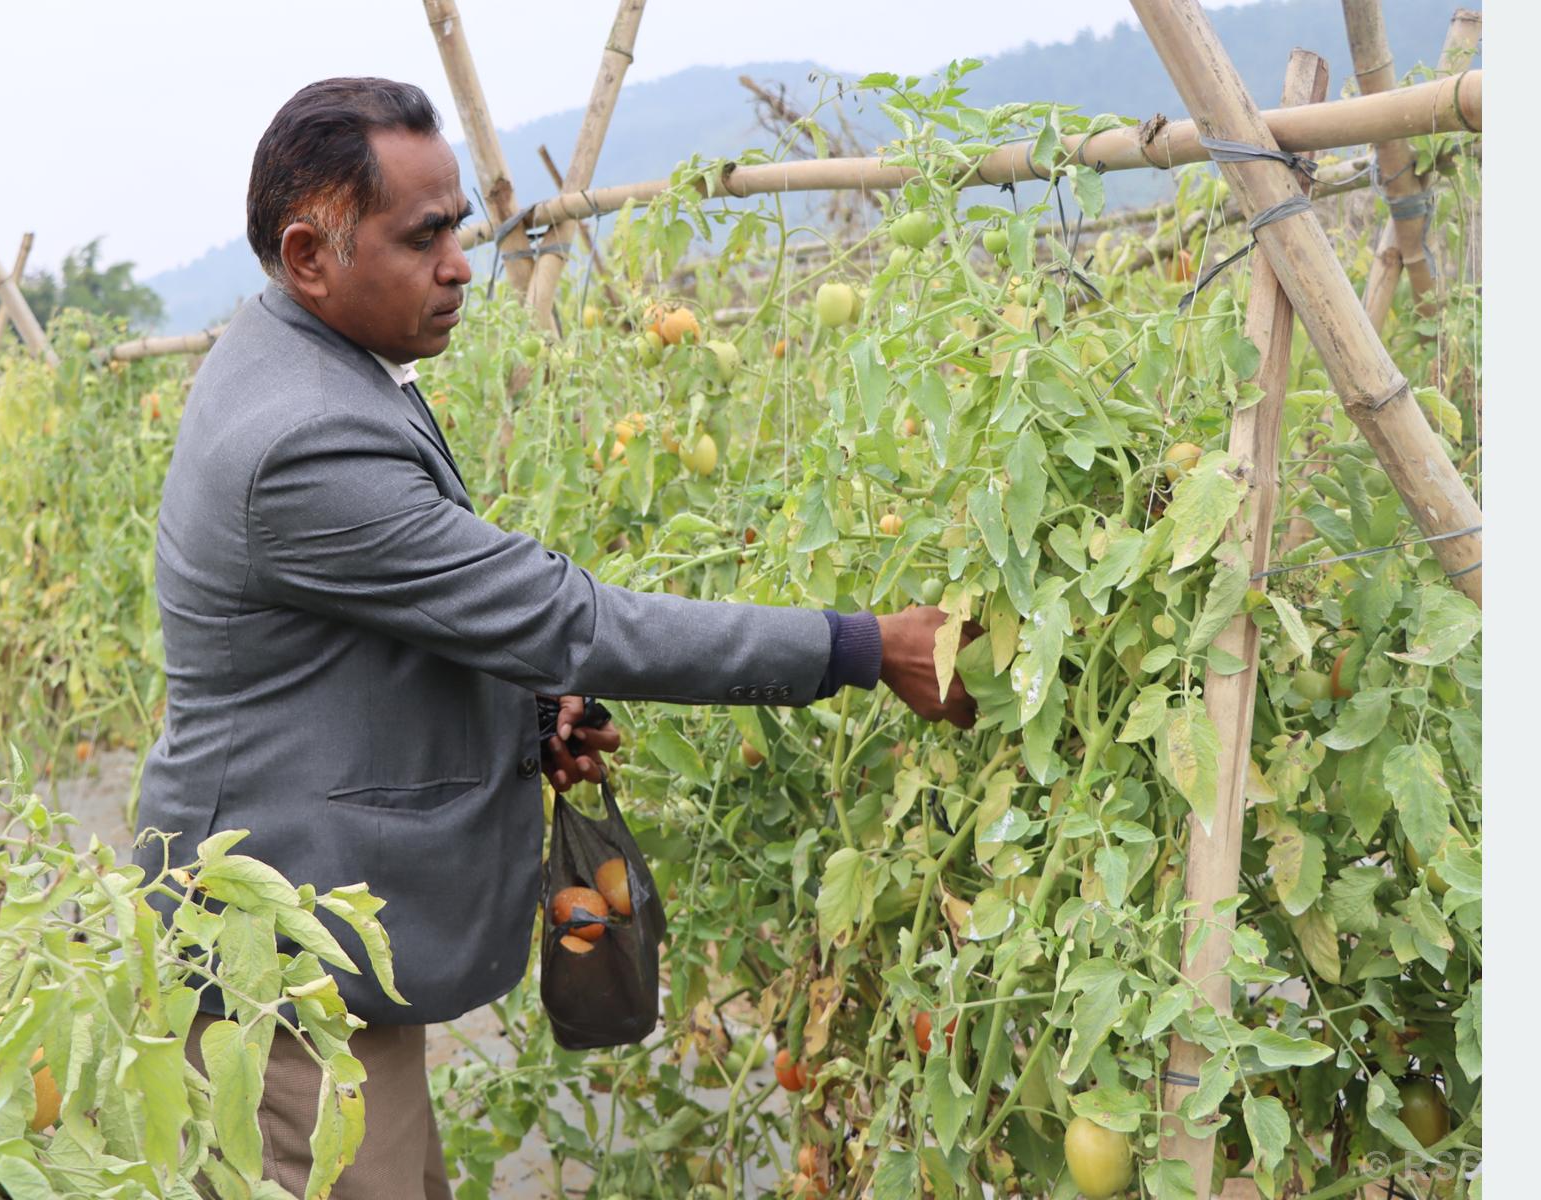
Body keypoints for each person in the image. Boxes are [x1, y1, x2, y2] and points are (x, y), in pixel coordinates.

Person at [132, 75, 977, 1199]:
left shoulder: (312, 361)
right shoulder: (304, 436)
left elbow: (368, 635)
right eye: (423, 238)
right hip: (272, 985)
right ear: (308, 255)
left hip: (315, 952)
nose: (459, 266)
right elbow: (563, 618)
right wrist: (860, 648)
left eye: (458, 230)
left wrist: (529, 715)